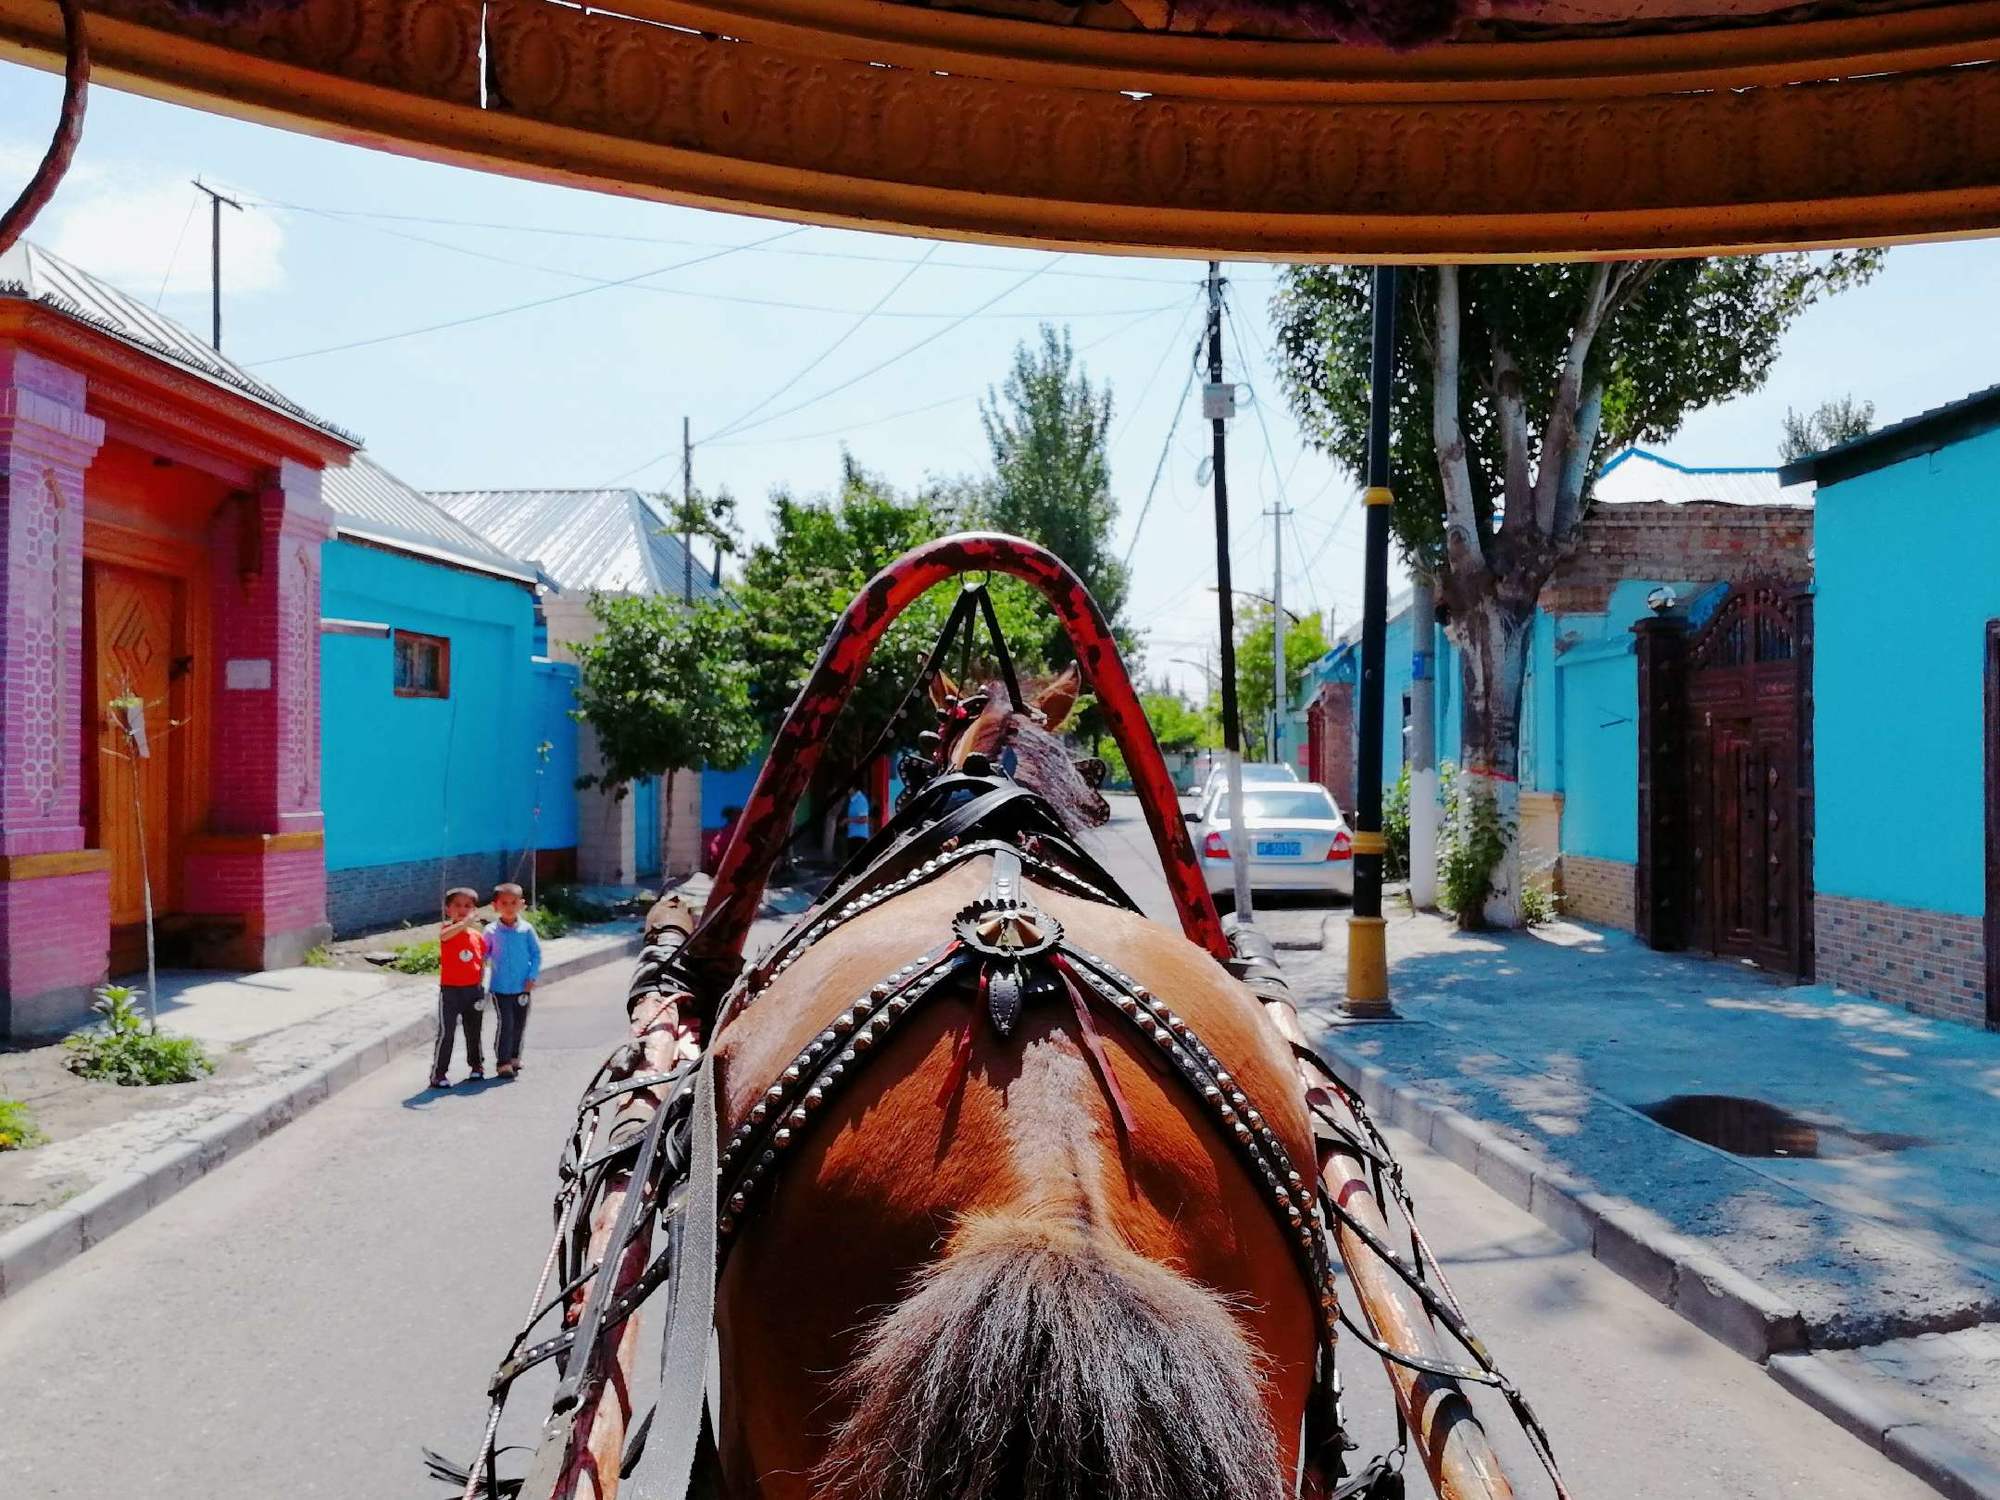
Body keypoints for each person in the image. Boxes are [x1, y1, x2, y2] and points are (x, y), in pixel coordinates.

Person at [485, 882, 543, 1079]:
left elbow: (536, 954)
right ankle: (503, 1062)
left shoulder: (526, 930)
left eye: (513, 902)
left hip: (522, 986)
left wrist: (532, 976)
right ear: (495, 906)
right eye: (504, 903)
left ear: (522, 904)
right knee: (506, 1023)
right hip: (500, 987)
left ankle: (515, 1056)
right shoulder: (491, 931)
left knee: (520, 1022)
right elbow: (483, 954)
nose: (509, 907)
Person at [430, 886, 486, 1089]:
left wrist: (481, 985)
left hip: (473, 990)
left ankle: (477, 1066)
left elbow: (481, 961)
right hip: (451, 991)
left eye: (468, 906)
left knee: (474, 1031)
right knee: (448, 1032)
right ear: (448, 909)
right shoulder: (447, 930)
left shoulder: (477, 935)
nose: (463, 909)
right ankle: (439, 1073)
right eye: (458, 905)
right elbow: (445, 937)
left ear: (475, 909)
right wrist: (463, 923)